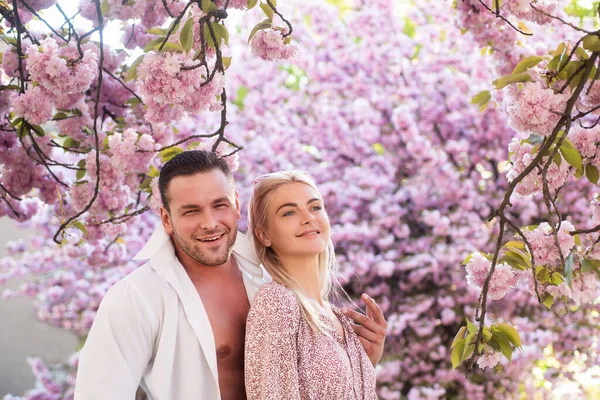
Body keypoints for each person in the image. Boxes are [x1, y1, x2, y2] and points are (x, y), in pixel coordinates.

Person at [74, 150, 386, 400]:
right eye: (191, 211)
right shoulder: (138, 297)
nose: (209, 223)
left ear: (236, 205)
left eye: (219, 205)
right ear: (167, 220)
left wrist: (357, 362)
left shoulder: (271, 279)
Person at [245, 171, 384, 399]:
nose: (308, 217)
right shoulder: (277, 301)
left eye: (315, 207)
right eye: (289, 212)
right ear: (263, 235)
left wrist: (367, 362)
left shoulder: (338, 317)